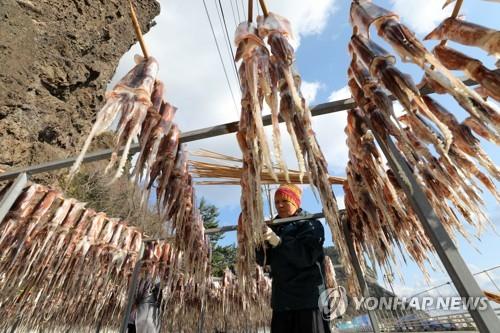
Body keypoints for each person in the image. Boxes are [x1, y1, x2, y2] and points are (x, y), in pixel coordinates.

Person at [256, 183, 331, 333]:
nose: (280, 205)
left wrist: (279, 242)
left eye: (285, 201)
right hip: (282, 301)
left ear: (295, 202)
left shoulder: (310, 224)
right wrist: (258, 242)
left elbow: (306, 257)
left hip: (308, 300)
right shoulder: (275, 226)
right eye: (276, 202)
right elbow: (263, 260)